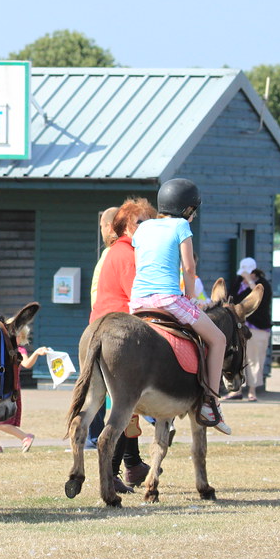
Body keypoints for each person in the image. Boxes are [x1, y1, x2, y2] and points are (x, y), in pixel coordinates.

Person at [129, 178, 231, 435]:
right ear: (187, 209)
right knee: (218, 339)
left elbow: (140, 263)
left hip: (138, 301)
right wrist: (189, 296)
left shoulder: (142, 228)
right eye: (193, 210)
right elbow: (189, 267)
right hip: (168, 299)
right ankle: (210, 402)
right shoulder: (181, 226)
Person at [90, 196, 158, 492]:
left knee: (122, 405)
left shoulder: (114, 251)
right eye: (142, 223)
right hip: (122, 328)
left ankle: (130, 465)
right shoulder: (128, 254)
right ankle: (116, 470)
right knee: (124, 405)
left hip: (101, 324)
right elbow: (137, 296)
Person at [0, 335, 49, 454]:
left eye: (14, 336)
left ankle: (25, 437)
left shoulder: (19, 351)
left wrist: (36, 353)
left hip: (7, 390)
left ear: (20, 337)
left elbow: (27, 364)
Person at [86, 206, 119, 449]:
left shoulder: (112, 253)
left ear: (108, 226)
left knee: (96, 384)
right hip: (103, 322)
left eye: (101, 226)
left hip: (102, 324)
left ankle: (94, 436)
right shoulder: (113, 253)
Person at [227, 257, 273, 402]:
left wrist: (251, 283)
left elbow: (258, 299)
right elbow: (231, 299)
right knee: (238, 358)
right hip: (239, 327)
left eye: (248, 274)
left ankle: (252, 391)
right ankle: (236, 390)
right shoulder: (238, 283)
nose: (245, 277)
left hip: (257, 328)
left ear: (254, 272)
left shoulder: (262, 284)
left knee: (254, 360)